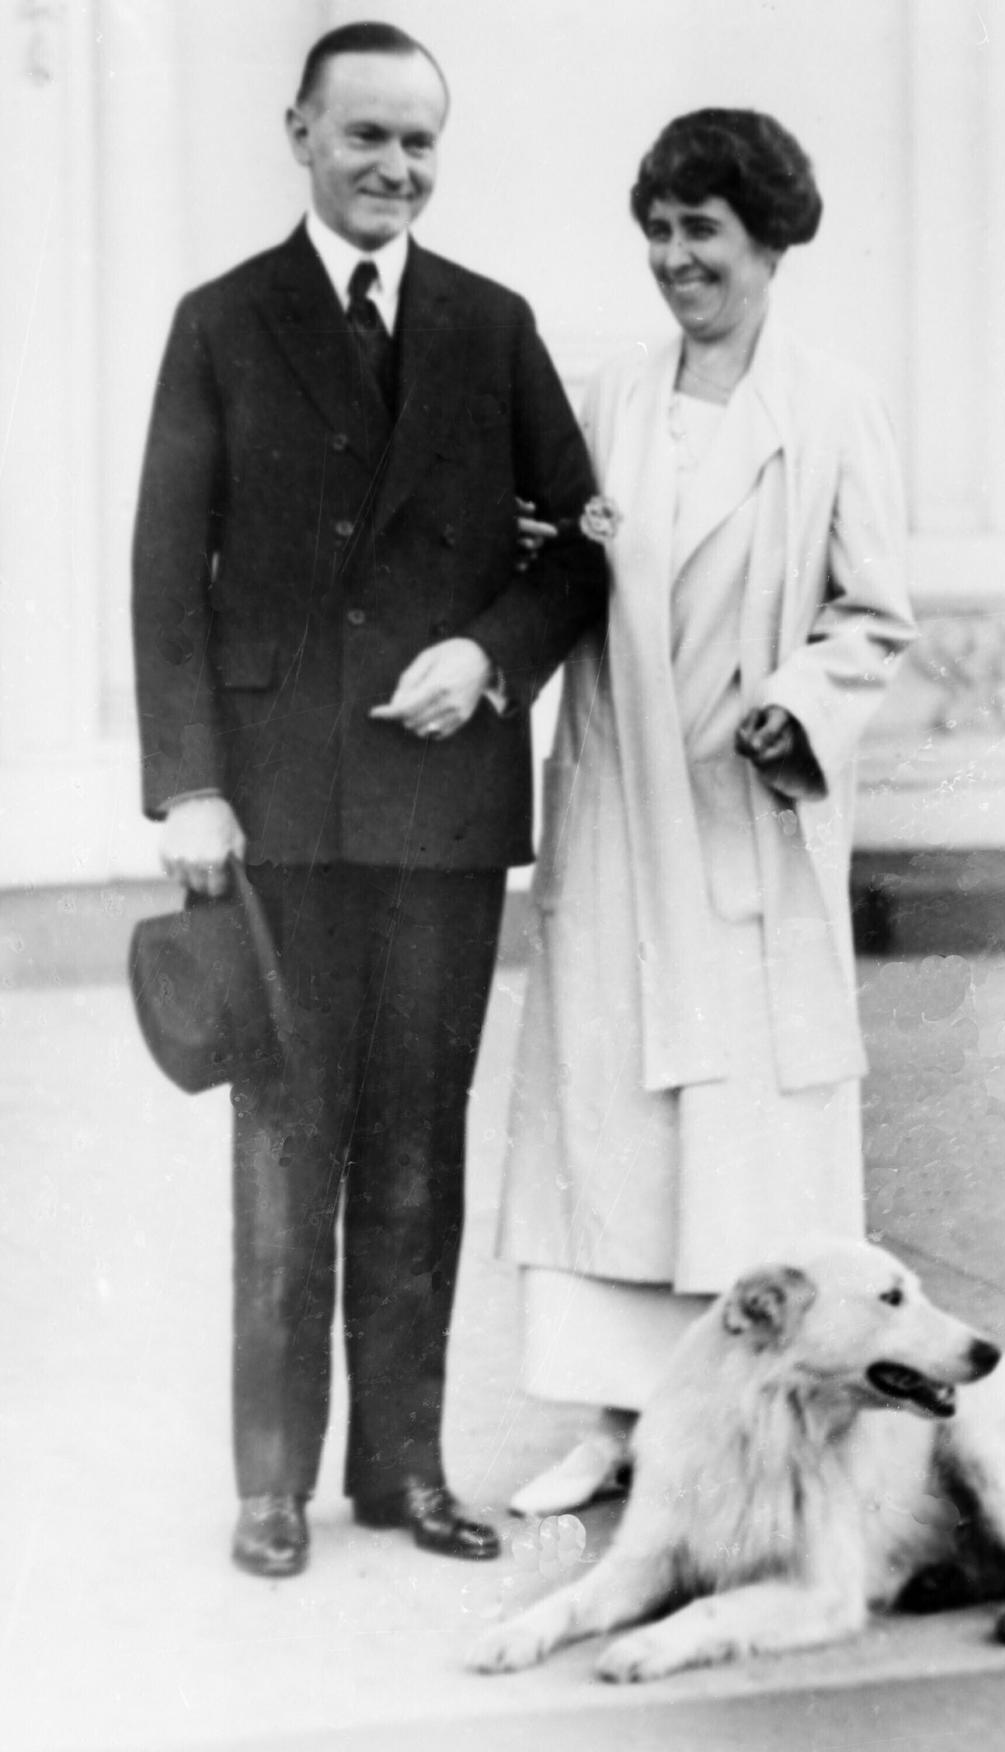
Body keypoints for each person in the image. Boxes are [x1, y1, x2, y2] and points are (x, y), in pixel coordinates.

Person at [131, 22, 607, 1577]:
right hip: (273, 818)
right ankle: (270, 1484)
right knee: (285, 1148)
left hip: (442, 810)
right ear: (299, 133)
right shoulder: (219, 322)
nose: (394, 168)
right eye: (366, 138)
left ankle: (401, 1468)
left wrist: (490, 650)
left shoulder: (490, 322)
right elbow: (163, 571)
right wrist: (188, 784)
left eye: (418, 142)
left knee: (415, 1150)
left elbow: (580, 544)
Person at [496, 109, 917, 1516]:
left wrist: (796, 701)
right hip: (622, 811)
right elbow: (549, 564)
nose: (677, 260)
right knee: (611, 1130)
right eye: (659, 231)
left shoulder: (830, 406)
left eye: (704, 234)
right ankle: (615, 1426)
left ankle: (764, 1427)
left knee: (744, 1140)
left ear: (769, 243)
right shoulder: (605, 394)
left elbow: (874, 615)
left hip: (742, 816)